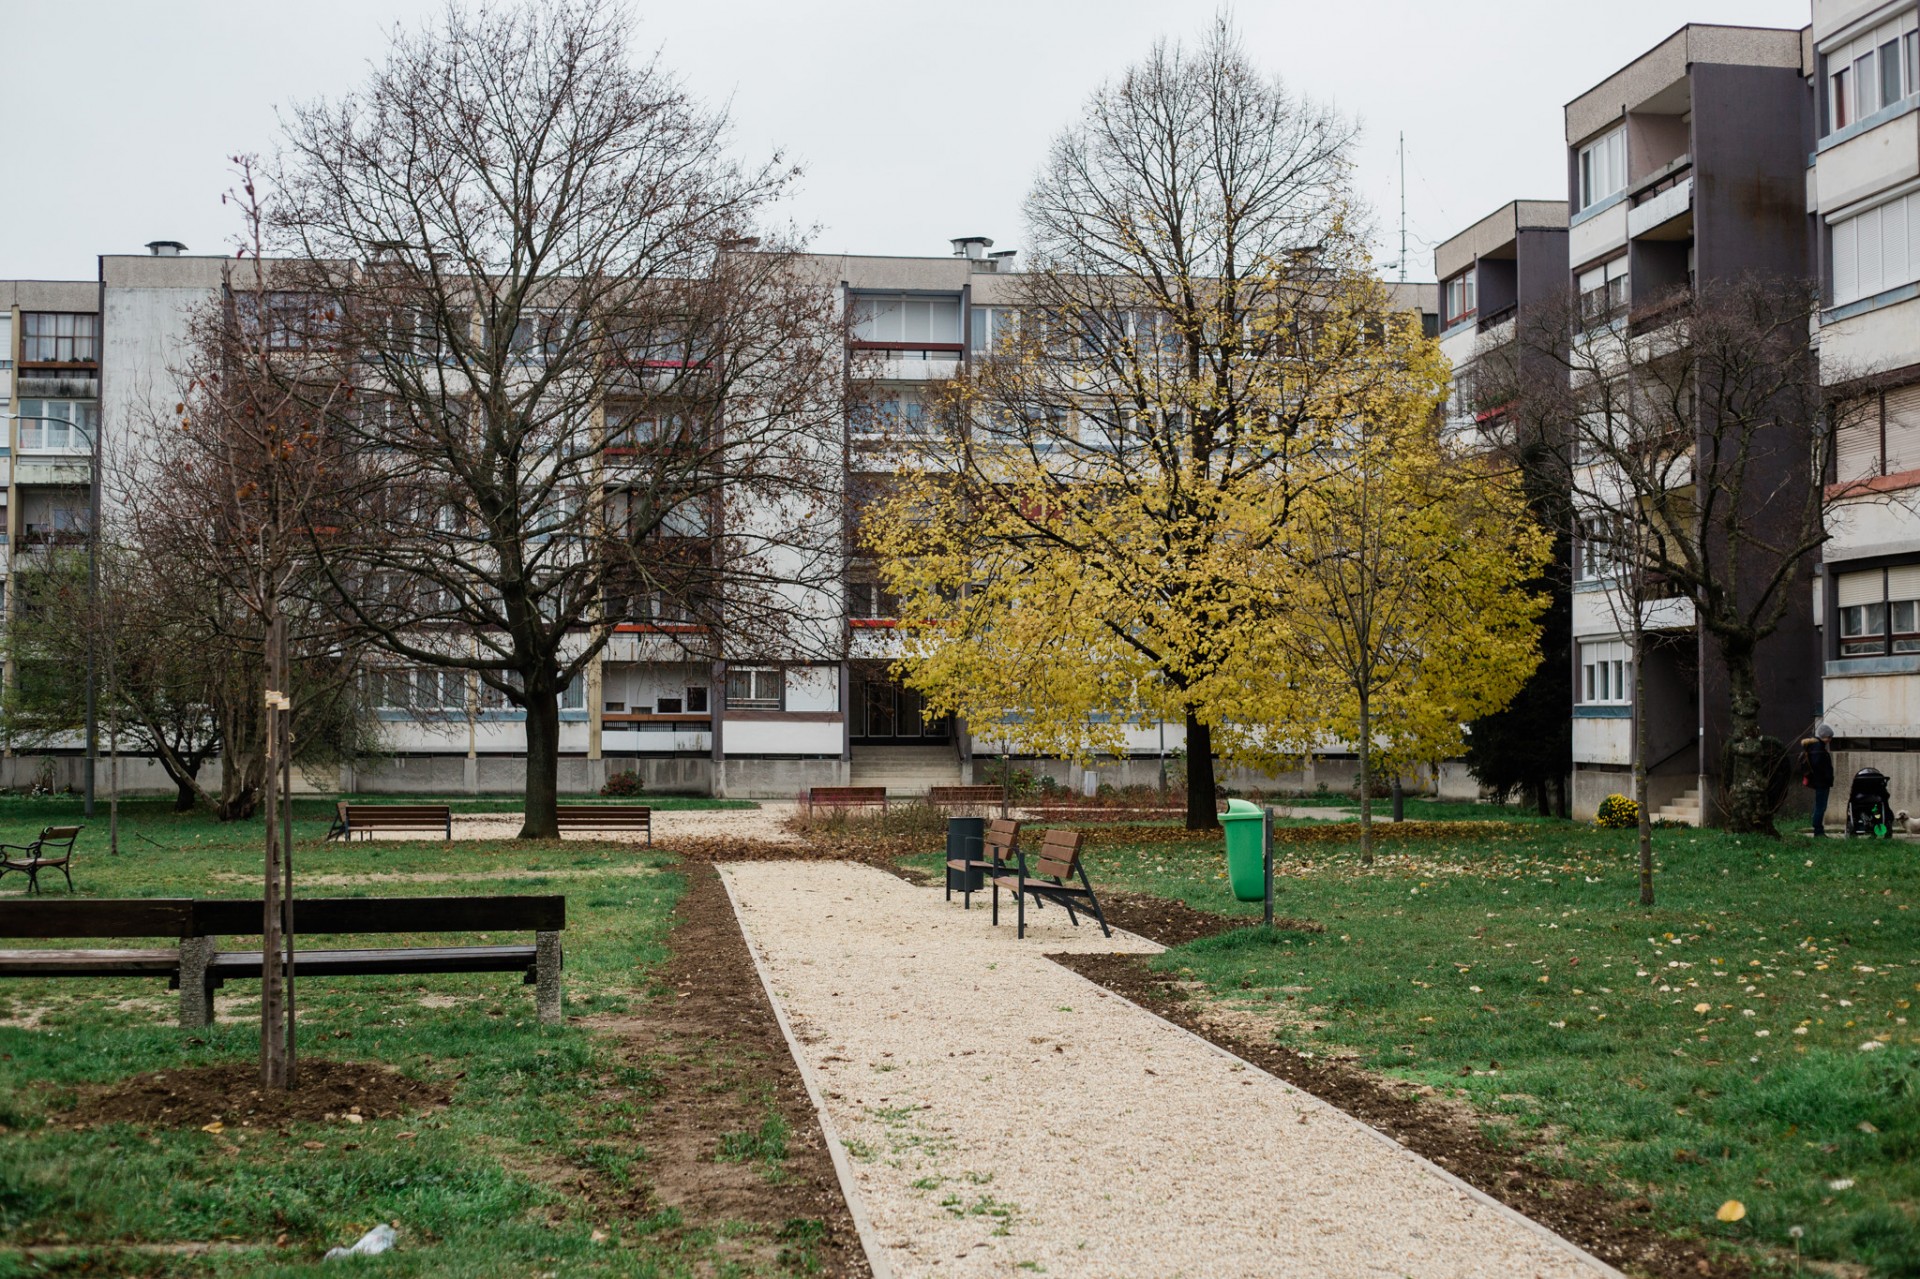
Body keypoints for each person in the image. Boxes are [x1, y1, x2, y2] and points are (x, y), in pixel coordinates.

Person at [1801, 723, 1836, 837]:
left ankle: (1818, 828)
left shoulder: (1815, 746)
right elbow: (1818, 765)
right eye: (1829, 737)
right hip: (1821, 782)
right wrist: (1826, 776)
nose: (1830, 740)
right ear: (1824, 736)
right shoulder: (1818, 748)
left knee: (1820, 805)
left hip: (1820, 781)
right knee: (1821, 806)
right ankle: (1818, 830)